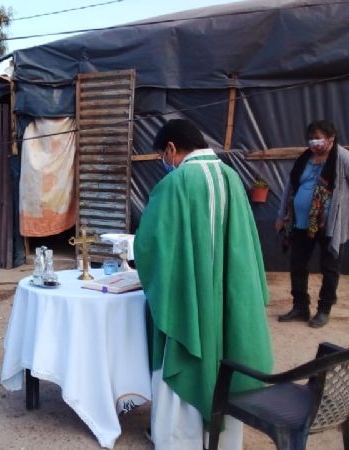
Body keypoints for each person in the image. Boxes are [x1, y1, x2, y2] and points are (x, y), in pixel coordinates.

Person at [134, 120, 273, 449]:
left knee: (183, 350)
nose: (164, 163)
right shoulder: (232, 177)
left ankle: (180, 440)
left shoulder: (177, 182)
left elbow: (150, 245)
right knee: (226, 346)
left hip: (189, 305)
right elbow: (246, 247)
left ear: (171, 149)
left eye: (162, 156)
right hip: (227, 298)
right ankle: (223, 440)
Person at [276, 120, 349, 328]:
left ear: (331, 138)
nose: (315, 143)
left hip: (329, 225)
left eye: (319, 138)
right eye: (312, 138)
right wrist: (282, 215)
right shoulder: (304, 158)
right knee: (297, 265)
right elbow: (290, 187)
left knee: (329, 268)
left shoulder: (342, 158)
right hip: (301, 223)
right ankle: (300, 307)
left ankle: (324, 310)